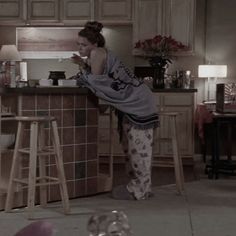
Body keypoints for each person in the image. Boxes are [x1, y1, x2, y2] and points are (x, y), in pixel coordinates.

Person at [71, 21, 159, 200]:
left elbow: (97, 83)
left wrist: (82, 73)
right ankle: (141, 186)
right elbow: (100, 78)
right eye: (78, 44)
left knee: (139, 147)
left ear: (94, 44)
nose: (80, 48)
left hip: (138, 103)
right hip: (134, 101)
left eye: (84, 45)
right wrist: (83, 65)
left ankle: (140, 189)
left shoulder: (96, 53)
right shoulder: (99, 53)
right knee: (131, 147)